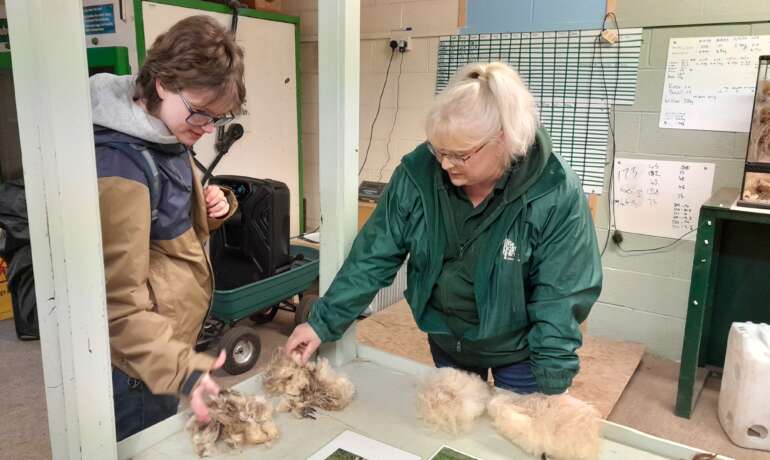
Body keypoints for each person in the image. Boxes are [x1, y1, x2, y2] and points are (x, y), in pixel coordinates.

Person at [286, 61, 602, 396]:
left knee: (512, 438)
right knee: (457, 432)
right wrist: (321, 323)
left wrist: (552, 385)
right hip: (449, 339)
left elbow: (561, 294)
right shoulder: (418, 173)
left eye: (460, 155)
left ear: (503, 139)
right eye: (440, 151)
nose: (446, 164)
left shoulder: (554, 190)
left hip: (522, 352)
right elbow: (373, 256)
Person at [90, 15, 245, 440]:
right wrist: (182, 370)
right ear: (161, 83)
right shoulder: (119, 165)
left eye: (218, 117)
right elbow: (115, 303)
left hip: (167, 337)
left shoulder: (166, 131)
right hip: (139, 362)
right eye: (200, 114)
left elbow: (165, 223)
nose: (207, 128)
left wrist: (213, 207)